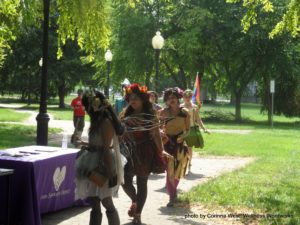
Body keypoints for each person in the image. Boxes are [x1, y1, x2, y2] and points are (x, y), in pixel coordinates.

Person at [119, 83, 171, 224]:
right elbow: (119, 132)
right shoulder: (125, 113)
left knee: (142, 182)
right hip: (128, 152)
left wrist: (162, 150)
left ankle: (138, 214)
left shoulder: (150, 115)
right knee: (124, 181)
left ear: (143, 99)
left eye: (136, 98)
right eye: (130, 98)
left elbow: (155, 134)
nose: (133, 101)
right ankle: (135, 200)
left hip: (145, 152)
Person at [74, 91, 125, 225]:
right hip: (93, 163)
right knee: (94, 203)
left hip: (102, 165)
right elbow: (98, 143)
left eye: (86, 107)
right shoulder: (96, 121)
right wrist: (83, 143)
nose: (85, 110)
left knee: (107, 202)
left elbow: (105, 149)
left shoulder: (105, 122)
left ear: (93, 107)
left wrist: (110, 173)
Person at [159, 87, 190, 207]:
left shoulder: (185, 113)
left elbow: (188, 130)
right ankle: (172, 196)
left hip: (180, 144)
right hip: (167, 143)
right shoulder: (163, 112)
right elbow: (159, 127)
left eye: (173, 97)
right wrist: (161, 132)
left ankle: (173, 191)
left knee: (178, 170)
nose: (171, 100)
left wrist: (183, 136)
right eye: (168, 98)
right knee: (170, 171)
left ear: (178, 99)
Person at [181, 89, 210, 173]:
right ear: (183, 97)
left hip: (191, 130)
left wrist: (204, 128)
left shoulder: (194, 107)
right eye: (185, 96)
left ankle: (189, 164)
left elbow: (198, 119)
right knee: (182, 148)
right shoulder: (180, 107)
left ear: (191, 97)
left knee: (189, 148)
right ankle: (182, 164)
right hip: (181, 130)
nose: (187, 98)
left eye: (189, 96)